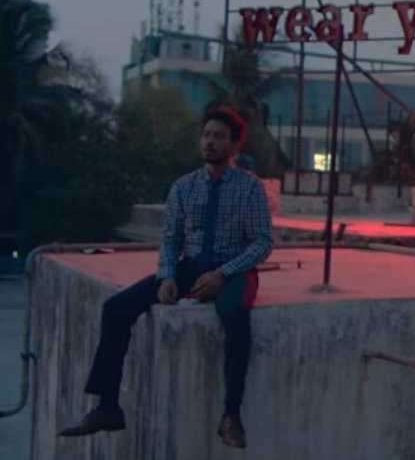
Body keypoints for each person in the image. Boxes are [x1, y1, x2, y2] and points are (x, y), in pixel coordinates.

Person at [58, 106, 273, 449]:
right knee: (116, 308)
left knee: (234, 315)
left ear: (234, 145)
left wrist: (223, 273)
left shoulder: (250, 188)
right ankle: (108, 407)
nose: (210, 142)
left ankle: (231, 415)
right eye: (206, 135)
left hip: (234, 268)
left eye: (219, 137)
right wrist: (168, 276)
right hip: (190, 267)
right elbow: (171, 239)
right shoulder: (184, 187)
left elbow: (262, 242)